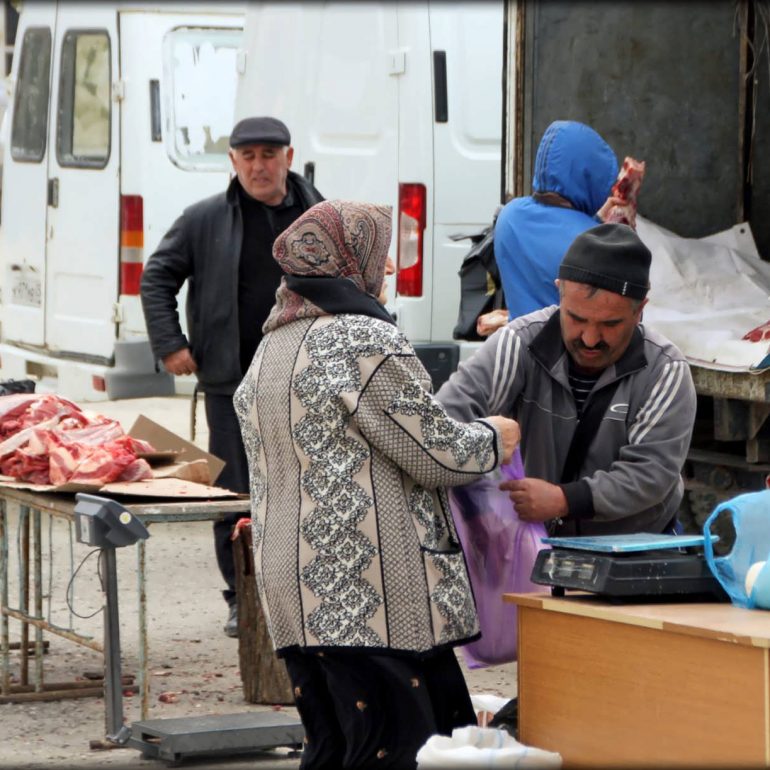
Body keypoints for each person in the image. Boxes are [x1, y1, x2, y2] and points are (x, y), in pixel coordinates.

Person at [234, 200, 521, 769]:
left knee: (337, 747)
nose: (388, 268)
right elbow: (436, 453)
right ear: (350, 259)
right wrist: (494, 437)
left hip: (297, 594)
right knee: (406, 753)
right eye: (379, 252)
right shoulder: (364, 340)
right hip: (375, 599)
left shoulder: (272, 347)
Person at [140, 116, 323, 637]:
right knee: (233, 494)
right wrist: (170, 343)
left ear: (289, 155)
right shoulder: (204, 220)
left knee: (308, 490)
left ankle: (306, 597)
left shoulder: (321, 215)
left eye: (269, 154)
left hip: (306, 380)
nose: (259, 165)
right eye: (248, 156)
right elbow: (157, 277)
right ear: (234, 162)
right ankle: (241, 599)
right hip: (231, 381)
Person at [437, 222, 697, 537]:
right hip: (535, 549)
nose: (589, 339)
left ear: (640, 310)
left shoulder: (665, 371)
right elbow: (443, 421)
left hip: (632, 555)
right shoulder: (518, 344)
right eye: (576, 318)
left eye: (610, 324)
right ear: (560, 290)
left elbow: (650, 474)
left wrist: (563, 500)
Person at [494, 120, 619, 322]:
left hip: (520, 343)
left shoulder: (509, 216)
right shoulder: (597, 244)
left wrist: (595, 221)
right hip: (573, 351)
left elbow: (555, 235)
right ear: (589, 177)